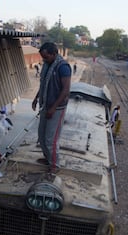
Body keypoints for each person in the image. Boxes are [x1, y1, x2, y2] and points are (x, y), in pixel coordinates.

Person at [32, 42, 72, 174]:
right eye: (43, 57)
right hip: (45, 106)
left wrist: (53, 108)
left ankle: (54, 165)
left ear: (54, 54)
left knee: (51, 139)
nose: (44, 60)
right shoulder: (48, 65)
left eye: (46, 57)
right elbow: (44, 84)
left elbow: (65, 90)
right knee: (41, 136)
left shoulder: (63, 67)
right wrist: (36, 98)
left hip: (57, 108)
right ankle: (48, 158)